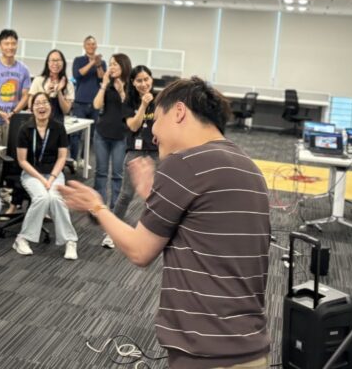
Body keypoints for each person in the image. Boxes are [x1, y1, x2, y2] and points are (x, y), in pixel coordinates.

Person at [59, 77, 271, 369]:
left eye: (156, 120)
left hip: (205, 352)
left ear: (180, 112)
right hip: (252, 349)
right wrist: (153, 196)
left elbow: (140, 251)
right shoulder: (250, 168)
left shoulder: (183, 164)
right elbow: (206, 233)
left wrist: (96, 206)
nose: (153, 134)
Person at [12, 92, 77, 260]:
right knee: (42, 198)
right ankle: (22, 239)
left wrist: (52, 177)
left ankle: (70, 241)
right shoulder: (25, 129)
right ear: (31, 108)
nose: (41, 106)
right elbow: (22, 161)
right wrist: (42, 180)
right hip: (32, 174)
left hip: (54, 174)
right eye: (37, 103)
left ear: (50, 106)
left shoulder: (58, 127)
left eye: (45, 103)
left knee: (56, 198)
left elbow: (62, 157)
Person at [104, 65, 160, 249]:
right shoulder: (129, 101)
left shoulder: (161, 99)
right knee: (126, 194)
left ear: (151, 79)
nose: (144, 84)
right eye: (139, 80)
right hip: (135, 151)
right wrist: (143, 105)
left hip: (156, 152)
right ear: (133, 83)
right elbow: (134, 126)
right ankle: (111, 233)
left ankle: (150, 235)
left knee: (154, 196)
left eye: (146, 79)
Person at [0, 29, 31, 182]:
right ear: (0, 46)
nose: (10, 47)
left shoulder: (23, 69)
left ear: (17, 45)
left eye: (13, 43)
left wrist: (14, 112)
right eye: (6, 43)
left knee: (11, 157)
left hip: (13, 122)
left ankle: (4, 190)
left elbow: (25, 95)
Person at [92, 53, 132, 220]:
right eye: (110, 64)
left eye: (115, 64)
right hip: (102, 134)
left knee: (117, 175)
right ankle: (98, 208)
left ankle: (115, 209)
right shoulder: (106, 85)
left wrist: (122, 91)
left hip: (121, 136)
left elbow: (130, 109)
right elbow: (96, 105)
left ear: (123, 66)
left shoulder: (130, 86)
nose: (112, 67)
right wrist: (104, 85)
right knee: (100, 173)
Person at [70, 36, 106, 163]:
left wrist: (98, 65)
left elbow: (102, 78)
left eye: (93, 44)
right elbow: (78, 74)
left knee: (90, 134)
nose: (91, 46)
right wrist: (91, 62)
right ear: (84, 46)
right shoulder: (78, 60)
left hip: (95, 103)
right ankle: (73, 159)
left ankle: (84, 160)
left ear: (96, 46)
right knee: (76, 133)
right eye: (88, 44)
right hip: (80, 102)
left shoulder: (102, 62)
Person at [28, 49, 74, 125]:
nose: (55, 63)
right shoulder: (38, 80)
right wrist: (46, 93)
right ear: (47, 63)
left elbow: (66, 110)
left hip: (58, 125)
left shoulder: (68, 84)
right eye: (52, 60)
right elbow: (30, 106)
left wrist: (59, 92)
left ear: (63, 63)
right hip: (38, 124)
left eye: (58, 60)